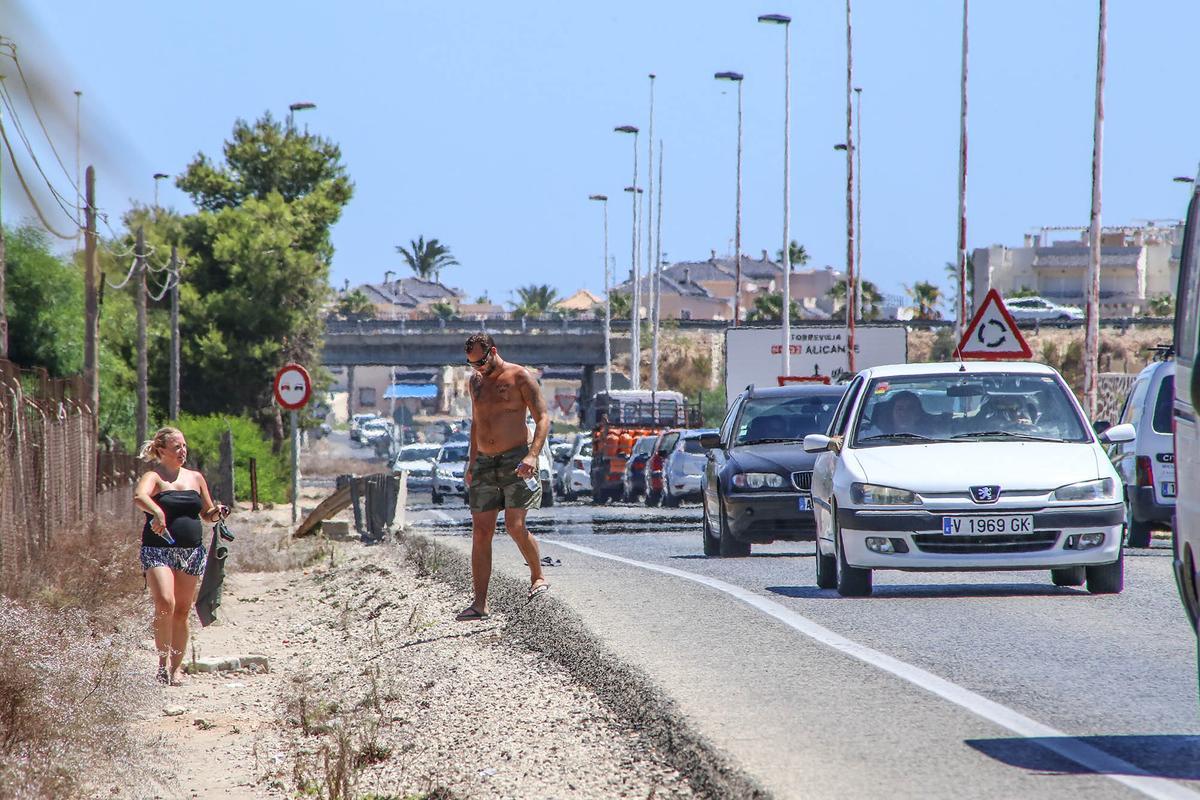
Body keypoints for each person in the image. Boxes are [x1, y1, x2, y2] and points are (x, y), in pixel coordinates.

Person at [457, 333, 550, 620]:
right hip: (485, 463)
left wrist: (532, 455)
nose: (479, 369)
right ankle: (480, 604)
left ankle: (537, 576)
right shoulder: (475, 382)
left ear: (493, 351)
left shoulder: (520, 377)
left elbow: (543, 417)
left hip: (516, 460)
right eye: (472, 364)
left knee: (514, 525)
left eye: (482, 362)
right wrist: (472, 464)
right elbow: (476, 423)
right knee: (481, 531)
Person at [133, 426, 230, 685]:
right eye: (177, 447)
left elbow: (207, 514)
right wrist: (157, 512)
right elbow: (139, 496)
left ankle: (176, 669)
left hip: (191, 552)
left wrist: (218, 512)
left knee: (182, 611)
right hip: (158, 550)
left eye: (184, 446)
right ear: (162, 450)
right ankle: (161, 664)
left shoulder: (196, 478)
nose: (183, 451)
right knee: (166, 603)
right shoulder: (154, 477)